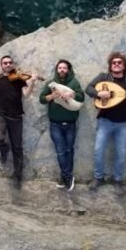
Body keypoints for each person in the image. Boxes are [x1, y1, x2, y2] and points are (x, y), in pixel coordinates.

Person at [85, 52, 126, 194]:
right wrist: (99, 94)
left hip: (122, 123)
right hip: (104, 121)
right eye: (114, 62)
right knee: (98, 151)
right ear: (110, 65)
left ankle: (118, 180)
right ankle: (98, 178)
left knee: (121, 153)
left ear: (124, 65)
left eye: (120, 62)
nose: (116, 64)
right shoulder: (104, 77)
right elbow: (88, 89)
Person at [0, 55, 37, 189]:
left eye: (10, 63)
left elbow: (26, 94)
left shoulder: (19, 79)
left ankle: (17, 176)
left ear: (13, 64)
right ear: (1, 65)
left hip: (16, 117)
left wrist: (32, 82)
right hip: (1, 116)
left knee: (18, 147)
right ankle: (4, 149)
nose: (8, 64)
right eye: (5, 63)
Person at [39, 59, 84, 192]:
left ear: (68, 70)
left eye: (64, 68)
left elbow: (82, 98)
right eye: (60, 68)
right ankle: (67, 177)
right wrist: (52, 96)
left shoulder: (74, 82)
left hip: (71, 124)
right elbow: (42, 99)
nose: (62, 70)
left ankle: (65, 177)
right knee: (60, 151)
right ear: (57, 70)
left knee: (69, 150)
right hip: (55, 124)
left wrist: (72, 94)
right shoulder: (50, 83)